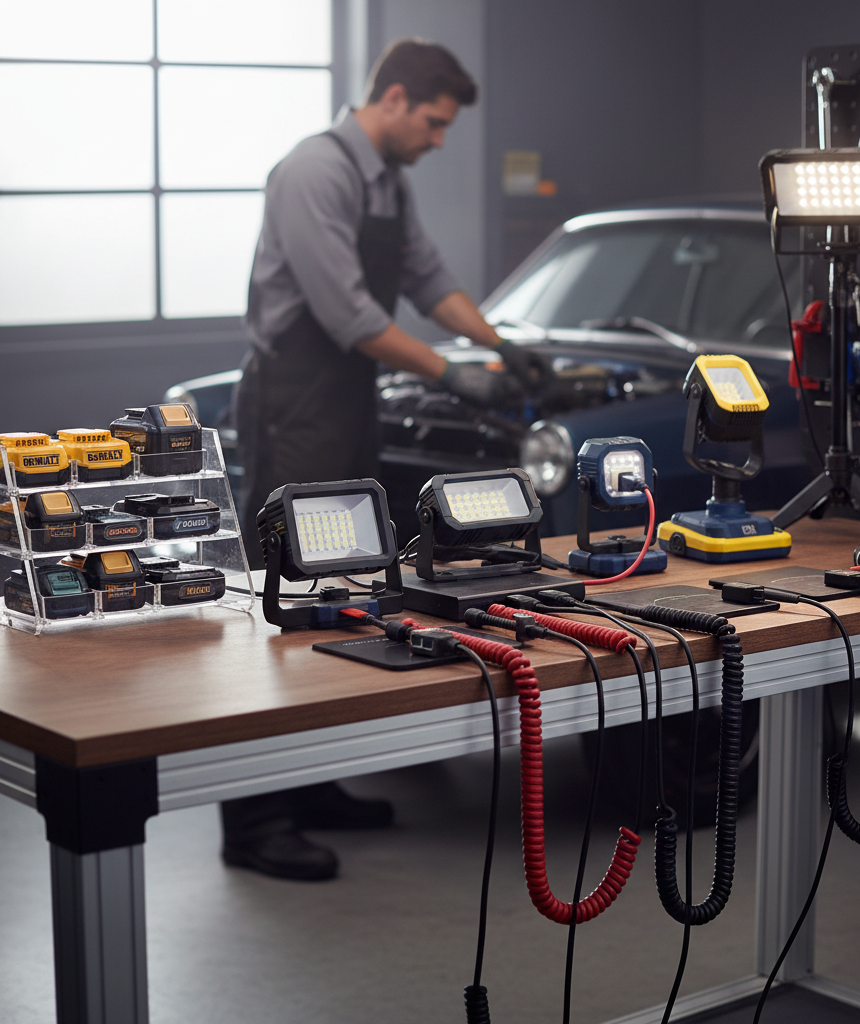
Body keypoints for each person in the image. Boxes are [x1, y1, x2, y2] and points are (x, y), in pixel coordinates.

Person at [228, 40, 541, 882]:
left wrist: (502, 347)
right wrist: (453, 373)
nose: (441, 140)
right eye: (436, 123)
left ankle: (313, 781)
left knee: (346, 584)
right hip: (296, 399)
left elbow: (429, 278)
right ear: (396, 99)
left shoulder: (387, 183)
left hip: (348, 398)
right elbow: (348, 313)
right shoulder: (313, 173)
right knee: (282, 595)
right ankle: (254, 817)